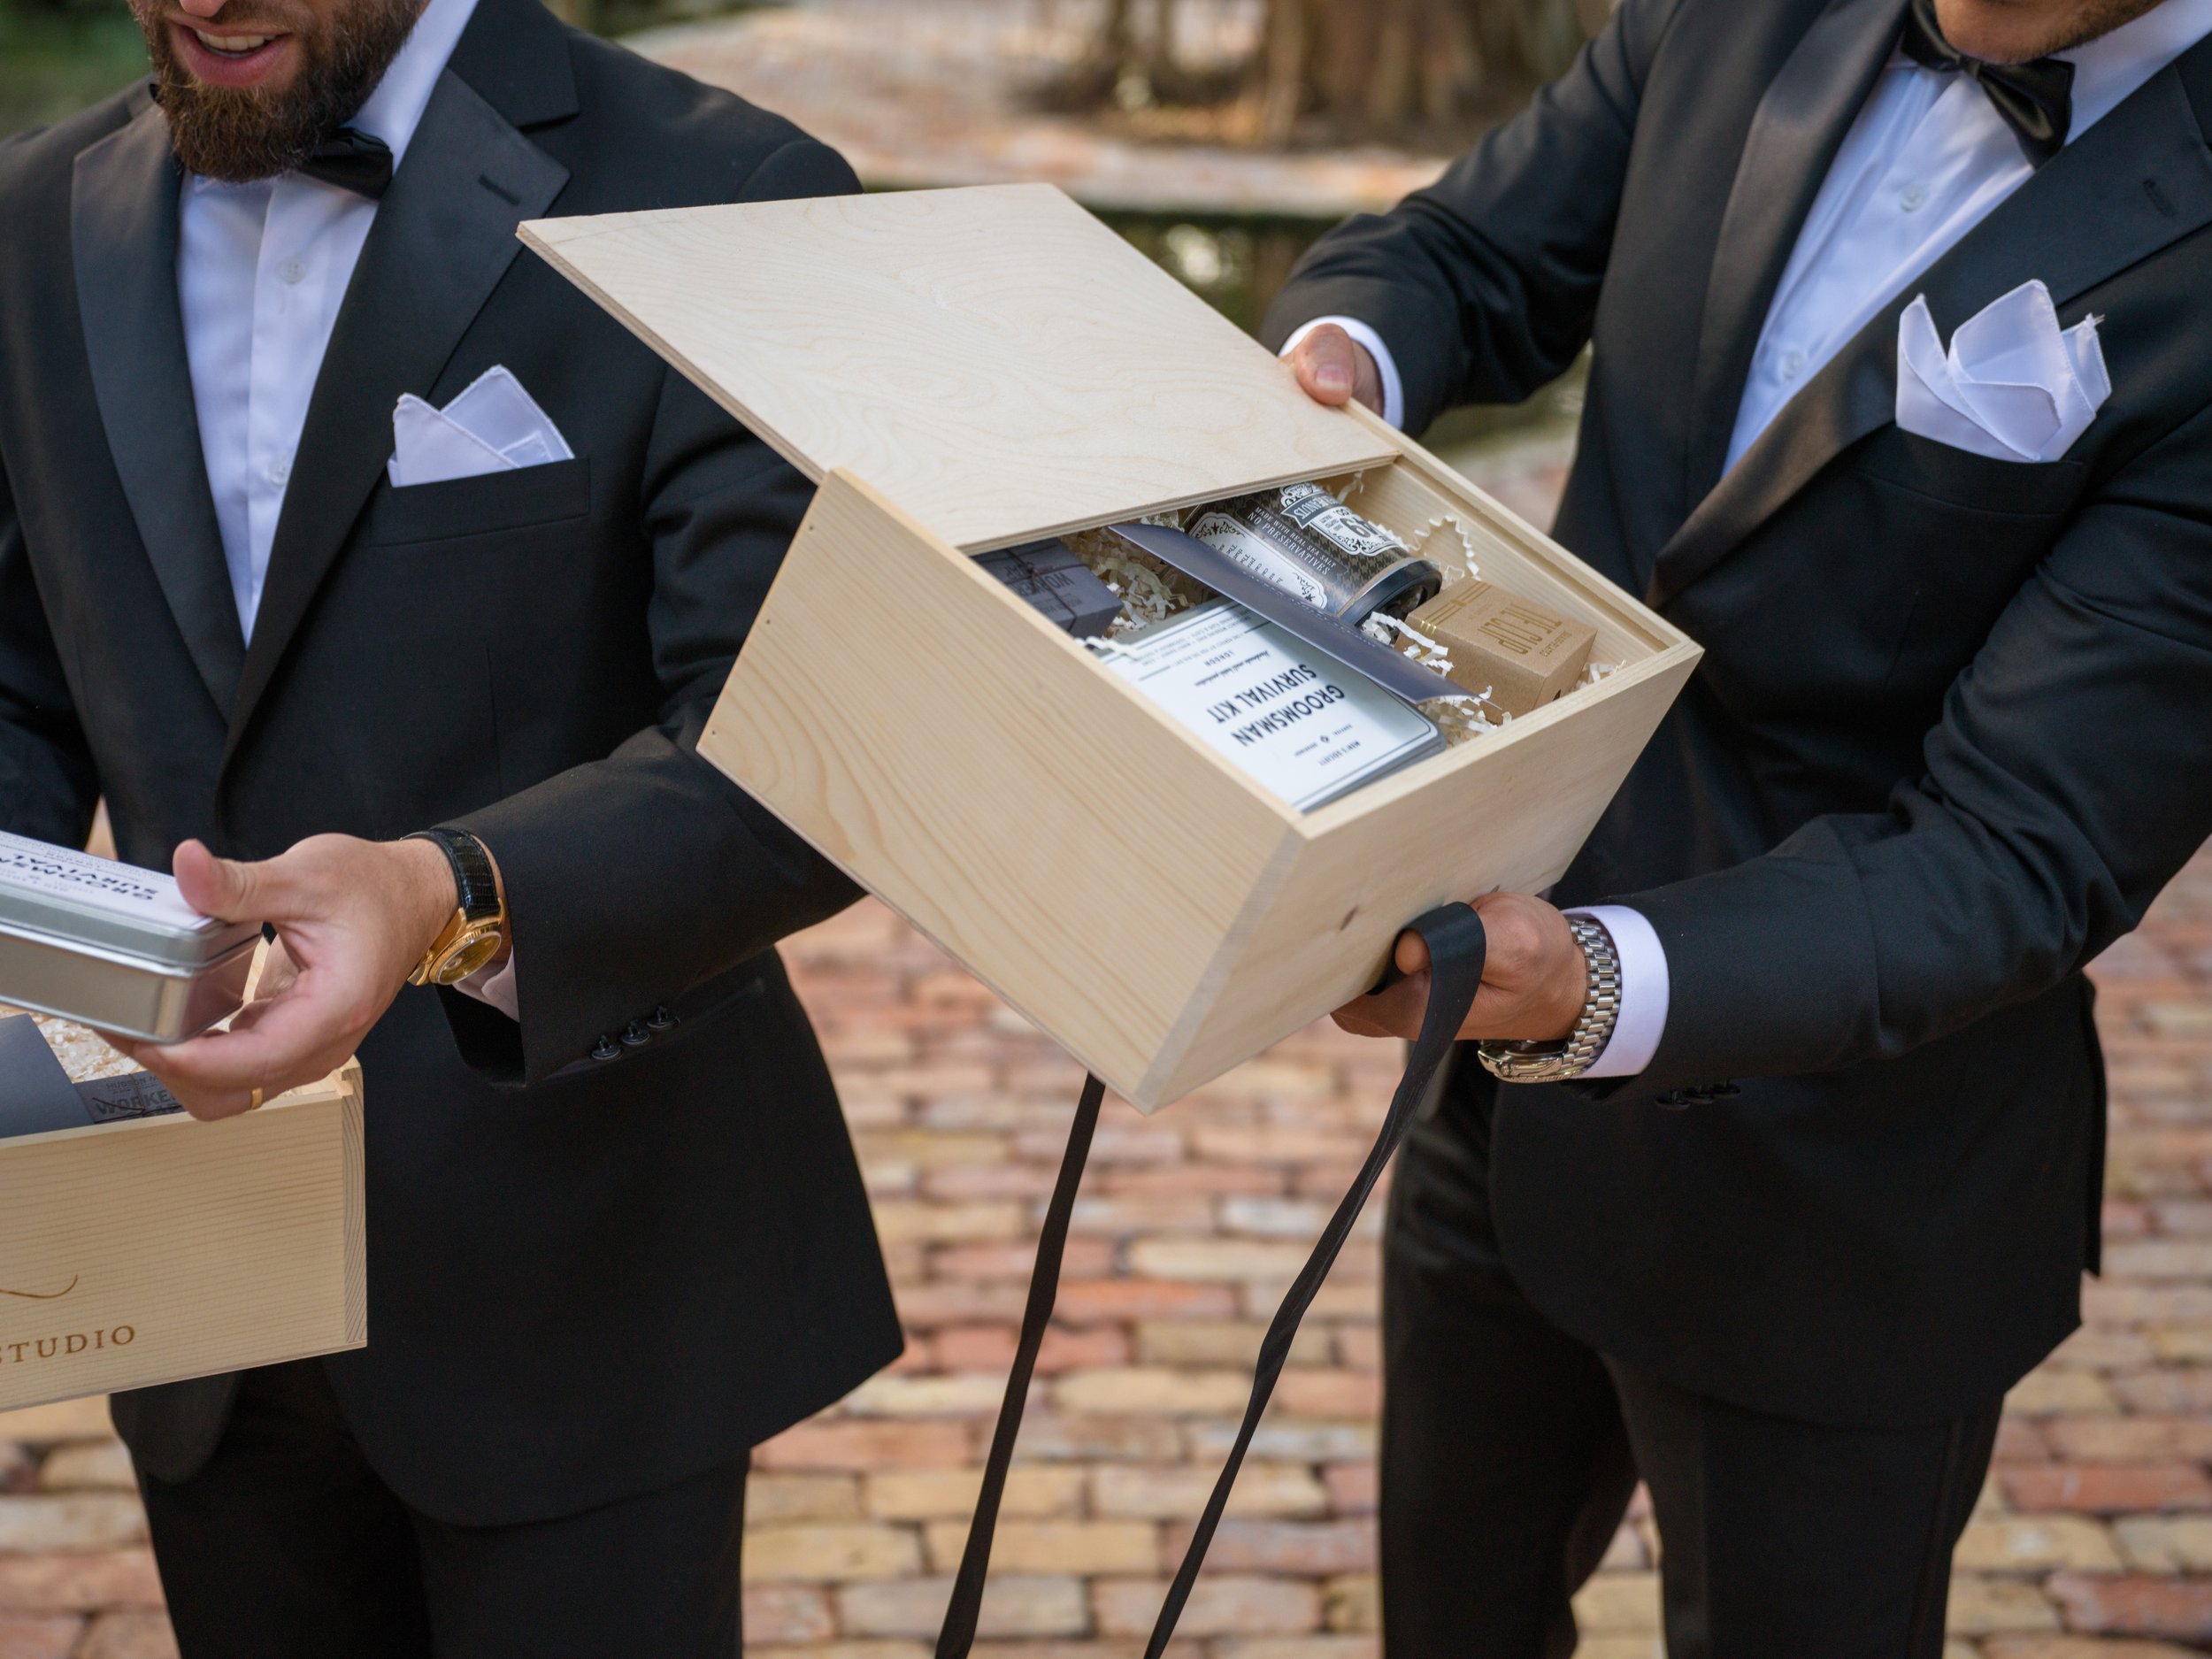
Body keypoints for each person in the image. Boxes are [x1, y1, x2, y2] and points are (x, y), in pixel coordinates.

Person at [1267, 0, 2212, 1652]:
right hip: (1495, 1102)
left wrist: (1599, 983)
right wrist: (1345, 356)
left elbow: (2014, 850)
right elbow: (1466, 254)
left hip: (1847, 1183)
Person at [0, 0, 902, 1649]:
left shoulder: (735, 199)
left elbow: (807, 758)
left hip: (584, 1271)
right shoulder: (29, 219)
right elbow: (20, 687)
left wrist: (447, 893)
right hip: (192, 1273)